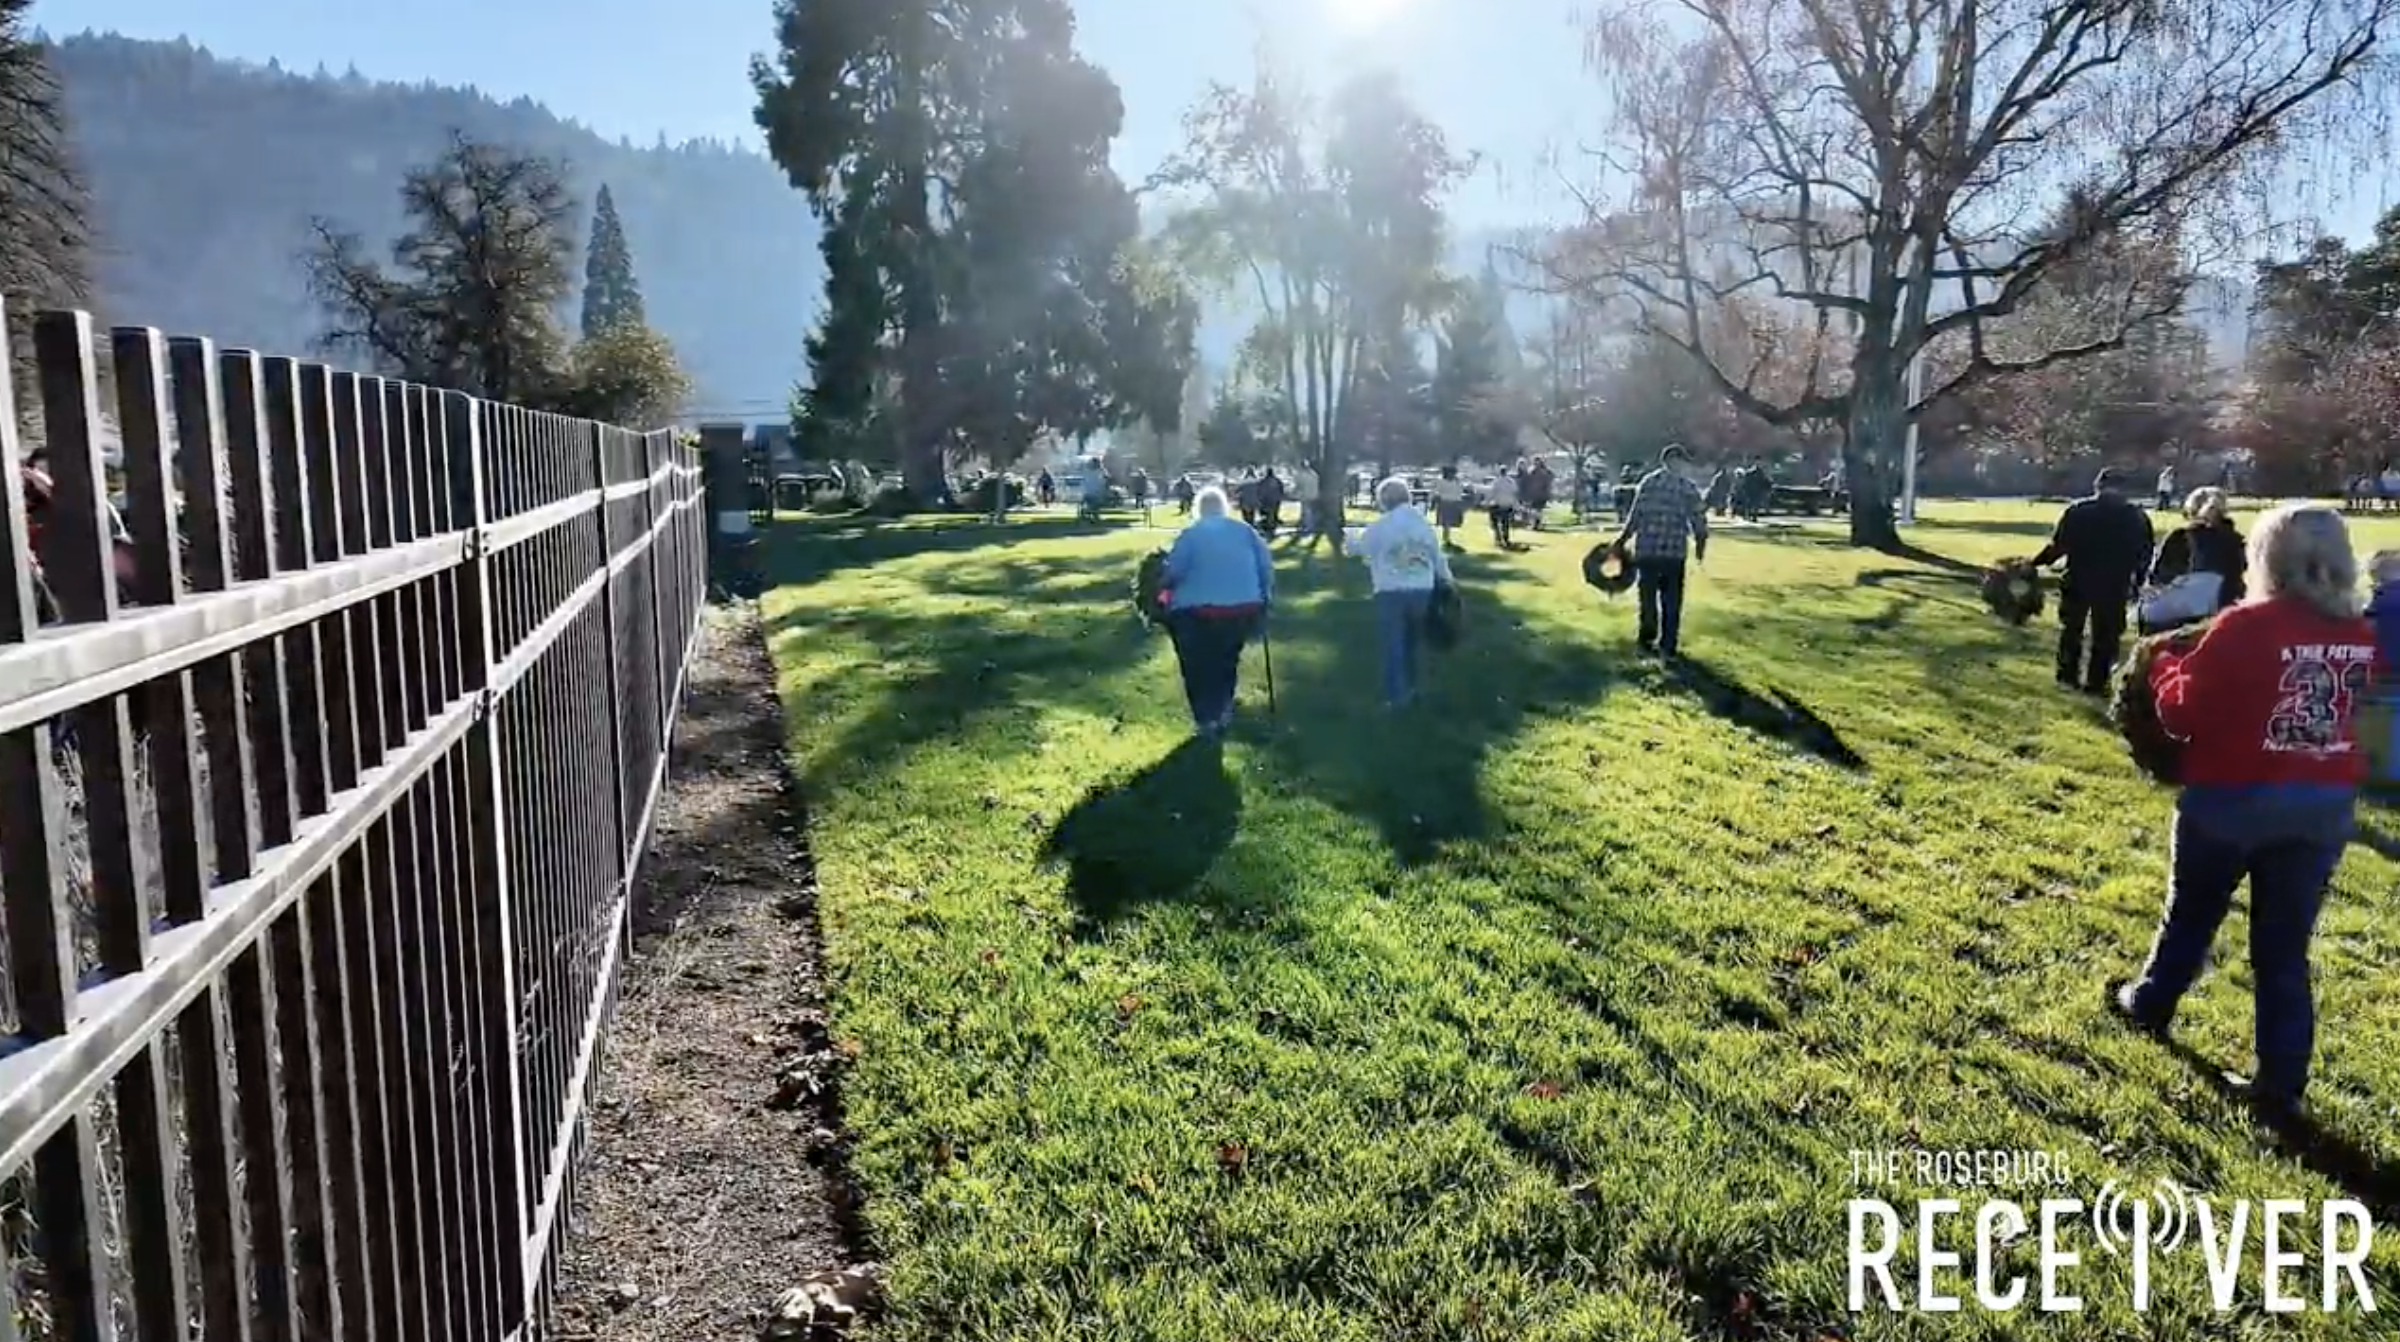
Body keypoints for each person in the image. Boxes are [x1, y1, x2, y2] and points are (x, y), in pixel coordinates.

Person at [2109, 504, 2378, 1122]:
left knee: (2192, 915)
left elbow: (2181, 715)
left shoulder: (2245, 627)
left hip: (2232, 800)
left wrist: (2166, 670)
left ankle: (2150, 1003)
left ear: (2267, 558)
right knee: (2283, 950)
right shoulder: (2362, 636)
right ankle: (2280, 1083)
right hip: (2320, 808)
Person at [1160, 486, 1275, 739]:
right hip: (1242, 607)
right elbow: (1265, 566)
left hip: (1197, 610)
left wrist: (1162, 588)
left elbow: (1174, 572)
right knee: (1227, 659)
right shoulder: (1246, 531)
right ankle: (1222, 708)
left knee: (1197, 664)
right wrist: (1265, 597)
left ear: (1198, 509)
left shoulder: (1191, 534)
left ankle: (1206, 717)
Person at [2029, 467, 2156, 694]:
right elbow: (2144, 554)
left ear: (2097, 486)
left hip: (2079, 578)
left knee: (2071, 630)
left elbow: (2059, 546)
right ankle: (2097, 682)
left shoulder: (2078, 511)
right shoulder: (2136, 517)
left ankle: (2067, 676)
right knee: (2106, 636)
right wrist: (2138, 581)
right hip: (2114, 583)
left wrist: (2033, 564)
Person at [1350, 476, 1453, 709]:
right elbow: (1437, 556)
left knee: (1393, 642)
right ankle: (1415, 688)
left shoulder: (1384, 525)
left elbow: (1360, 547)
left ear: (1384, 500)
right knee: (1414, 641)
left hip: (1391, 589)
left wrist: (1348, 537)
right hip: (1422, 588)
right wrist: (1448, 581)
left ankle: (1396, 696)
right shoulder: (1423, 524)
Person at [1614, 444, 1711, 659]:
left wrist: (1622, 540)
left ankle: (1647, 639)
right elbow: (1698, 519)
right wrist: (1700, 543)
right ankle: (1668, 645)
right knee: (1671, 601)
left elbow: (1635, 515)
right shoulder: (1687, 487)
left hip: (1647, 550)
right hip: (1673, 553)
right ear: (1680, 462)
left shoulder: (1648, 483)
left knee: (1647, 599)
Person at [2141, 487, 2245, 633]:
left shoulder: (2180, 537)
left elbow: (2158, 577)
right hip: (2221, 613)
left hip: (2181, 616)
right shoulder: (2236, 541)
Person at [1432, 465, 1466, 549]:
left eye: (1453, 473)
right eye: (1451, 473)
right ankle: (1446, 538)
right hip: (1445, 502)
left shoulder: (1457, 481)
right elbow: (1436, 491)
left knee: (1450, 522)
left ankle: (1446, 537)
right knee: (1446, 522)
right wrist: (1435, 500)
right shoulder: (1441, 481)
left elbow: (1460, 491)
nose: (1452, 474)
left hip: (1455, 503)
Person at [1486, 467, 1520, 548]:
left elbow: (1492, 493)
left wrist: (1487, 502)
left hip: (1498, 504)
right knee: (1505, 523)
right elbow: (1515, 493)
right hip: (1508, 504)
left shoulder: (1496, 481)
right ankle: (1505, 538)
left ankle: (1498, 538)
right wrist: (1516, 505)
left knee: (1495, 523)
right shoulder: (1511, 481)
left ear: (1499, 472)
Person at [1292, 460, 1320, 543]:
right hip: (1314, 495)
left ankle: (1308, 526)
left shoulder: (1301, 475)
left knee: (1306, 511)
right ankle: (1306, 524)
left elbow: (1298, 486)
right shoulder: (1314, 474)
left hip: (1305, 495)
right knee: (1309, 511)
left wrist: (1293, 493)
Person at [1257, 468, 1285, 538]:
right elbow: (1281, 489)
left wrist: (1260, 499)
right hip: (1275, 499)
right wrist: (1280, 496)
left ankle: (1269, 526)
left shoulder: (1263, 481)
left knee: (1269, 513)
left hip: (1267, 499)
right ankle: (1271, 526)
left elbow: (1260, 490)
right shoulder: (1277, 481)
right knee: (1273, 513)